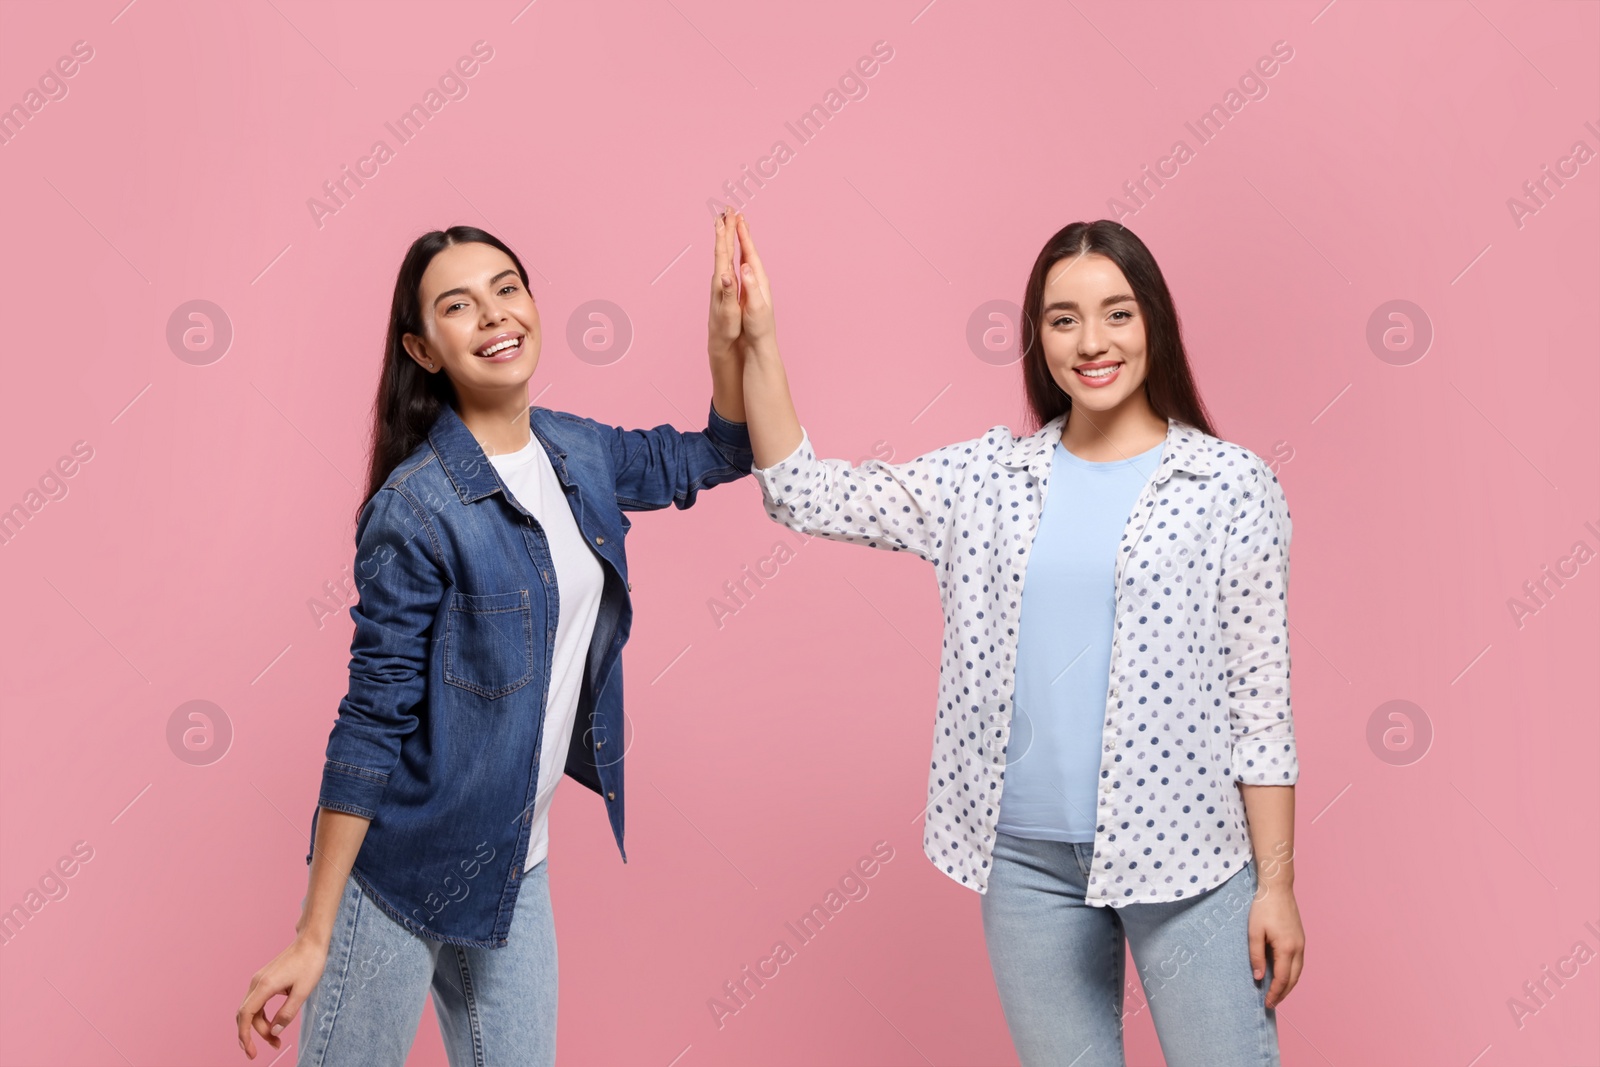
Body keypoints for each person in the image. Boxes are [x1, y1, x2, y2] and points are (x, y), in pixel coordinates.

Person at [728, 213, 1305, 1066]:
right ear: (1038, 339)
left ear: (1153, 321)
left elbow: (1262, 703)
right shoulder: (986, 480)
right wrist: (762, 342)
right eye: (1062, 318)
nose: (1092, 341)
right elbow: (803, 493)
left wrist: (1278, 883)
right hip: (1026, 868)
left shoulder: (1228, 485)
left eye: (1117, 312)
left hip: (1191, 860)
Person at [236, 218, 752, 1064]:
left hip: (516, 863)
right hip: (401, 876)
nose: (493, 315)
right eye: (458, 305)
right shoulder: (417, 508)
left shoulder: (577, 452)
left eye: (506, 289)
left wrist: (730, 342)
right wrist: (312, 929)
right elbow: (371, 722)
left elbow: (720, 453)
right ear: (424, 347)